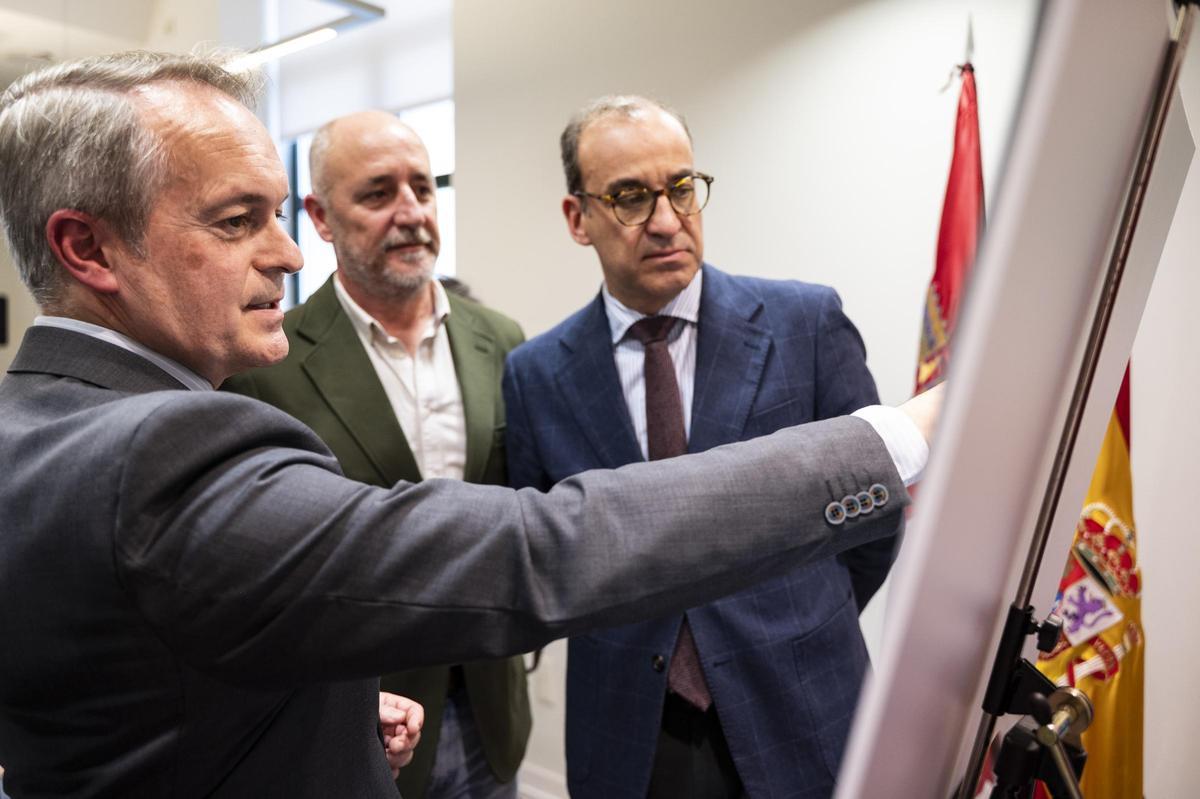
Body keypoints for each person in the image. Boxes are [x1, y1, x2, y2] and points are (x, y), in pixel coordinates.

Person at [0, 52, 934, 796]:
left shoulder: (30, 426)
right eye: (240, 220)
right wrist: (887, 441)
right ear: (88, 247)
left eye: (277, 215)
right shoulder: (167, 450)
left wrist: (318, 705)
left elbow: (135, 676)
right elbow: (540, 543)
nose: (286, 253)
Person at [503, 95, 900, 799]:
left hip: (805, 702)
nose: (665, 220)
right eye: (629, 197)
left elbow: (875, 509)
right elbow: (548, 558)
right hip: (632, 726)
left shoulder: (804, 324)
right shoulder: (536, 374)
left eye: (681, 188)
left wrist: (802, 615)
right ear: (578, 218)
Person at [224, 111, 531, 799]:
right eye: (377, 193)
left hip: (488, 709)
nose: (411, 212)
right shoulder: (265, 361)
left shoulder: (501, 339)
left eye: (422, 188)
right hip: (358, 724)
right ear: (321, 217)